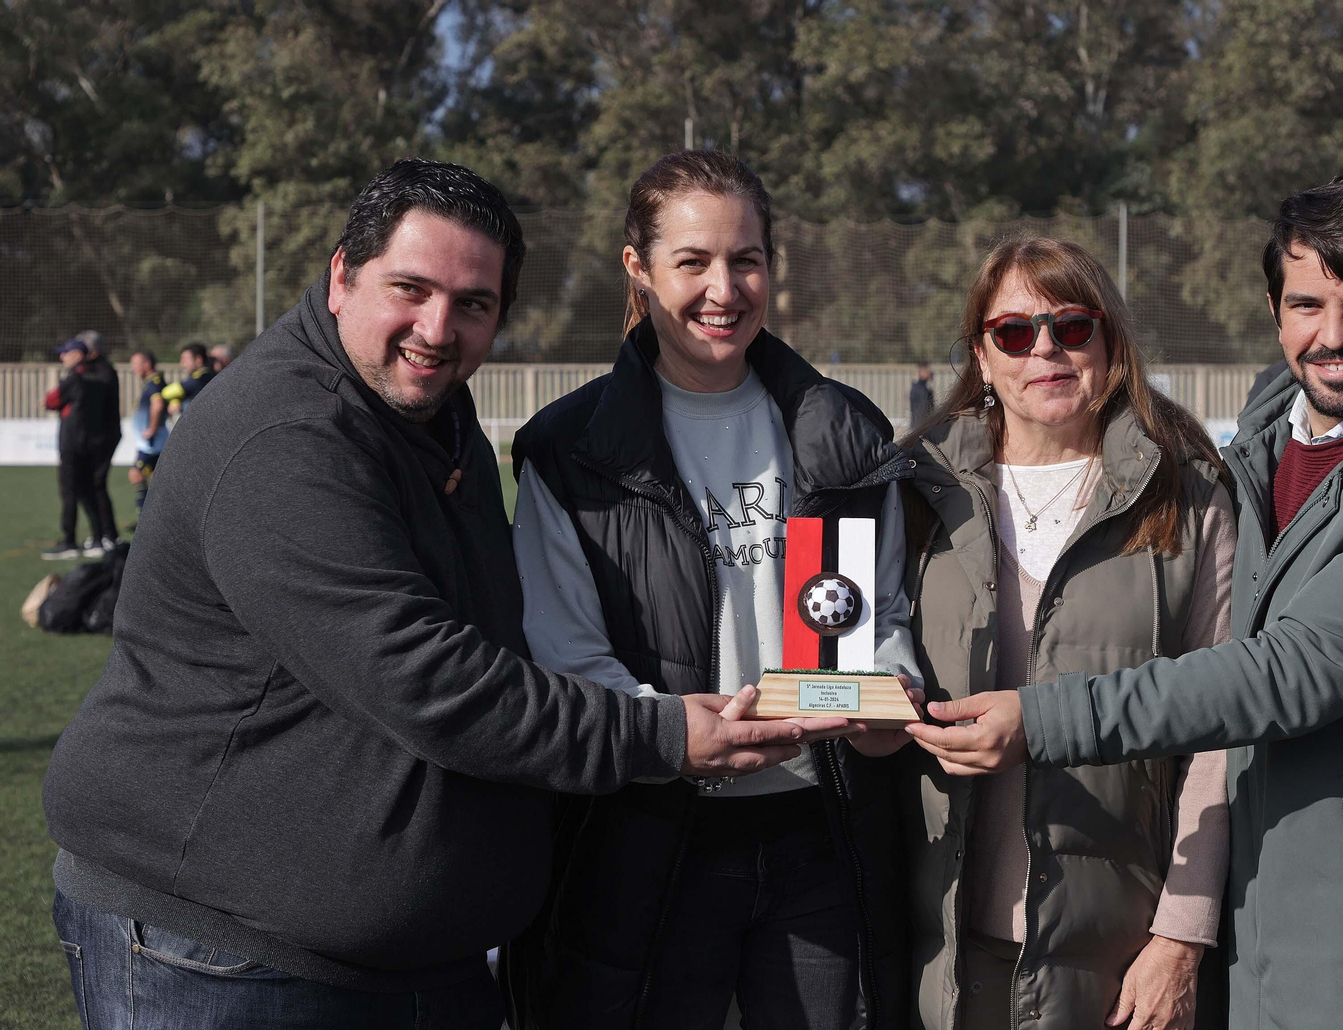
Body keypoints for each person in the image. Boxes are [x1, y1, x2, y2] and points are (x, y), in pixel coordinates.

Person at [42, 159, 811, 1030]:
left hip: (413, 965)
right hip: (226, 960)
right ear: (341, 276)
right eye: (410, 288)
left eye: (473, 304)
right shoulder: (284, 436)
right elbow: (425, 678)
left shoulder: (439, 422)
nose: (436, 328)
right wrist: (663, 733)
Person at [903, 174, 1343, 1029]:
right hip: (1277, 912)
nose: (1334, 336)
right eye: (1307, 304)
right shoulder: (1267, 437)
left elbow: (1289, 672)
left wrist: (1041, 722)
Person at [503, 150, 920, 1030]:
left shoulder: (846, 431)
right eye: (692, 262)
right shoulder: (569, 449)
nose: (723, 289)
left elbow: (878, 623)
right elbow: (568, 657)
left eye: (746, 260)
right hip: (650, 836)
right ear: (639, 270)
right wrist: (678, 737)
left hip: (825, 831)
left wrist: (892, 701)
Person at [900, 236, 1233, 1030]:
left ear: (1109, 342)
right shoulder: (916, 492)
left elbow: (1225, 734)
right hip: (943, 954)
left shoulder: (1186, 495)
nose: (1044, 348)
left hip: (1120, 958)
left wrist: (1179, 942)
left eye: (1072, 326)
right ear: (981, 357)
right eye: (1013, 332)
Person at [41, 337, 121, 560]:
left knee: (69, 493)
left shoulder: (75, 378)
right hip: (91, 443)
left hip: (71, 444)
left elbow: (51, 401)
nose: (61, 357)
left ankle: (69, 542)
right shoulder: (100, 377)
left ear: (77, 354)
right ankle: (98, 537)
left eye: (65, 353)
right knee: (88, 491)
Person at [126, 350, 168, 516]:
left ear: (147, 364)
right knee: (157, 479)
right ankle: (156, 516)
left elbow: (157, 404)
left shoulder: (155, 382)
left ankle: (144, 517)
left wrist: (152, 428)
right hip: (150, 442)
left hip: (152, 443)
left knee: (136, 474)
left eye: (135, 364)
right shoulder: (151, 383)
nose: (133, 368)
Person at [160, 343, 217, 412]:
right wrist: (176, 400)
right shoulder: (213, 375)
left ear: (198, 359)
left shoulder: (199, 378)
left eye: (185, 360)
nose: (182, 364)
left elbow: (166, 392)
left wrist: (175, 400)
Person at [909, 360, 935, 427]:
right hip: (921, 426)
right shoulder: (921, 390)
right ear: (922, 373)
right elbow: (924, 409)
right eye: (928, 371)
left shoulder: (923, 388)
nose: (931, 373)